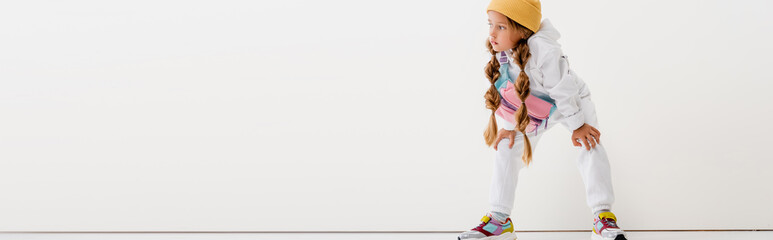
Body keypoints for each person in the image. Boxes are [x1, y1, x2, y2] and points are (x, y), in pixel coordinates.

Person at [458, 1, 628, 240]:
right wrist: (508, 127)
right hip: (537, 109)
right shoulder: (503, 52)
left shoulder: (542, 48)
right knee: (506, 148)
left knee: (590, 144)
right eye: (490, 25)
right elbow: (510, 93)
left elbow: (562, 87)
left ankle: (603, 217)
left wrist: (578, 125)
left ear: (523, 29)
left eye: (501, 27)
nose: (492, 34)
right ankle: (500, 220)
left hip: (571, 103)